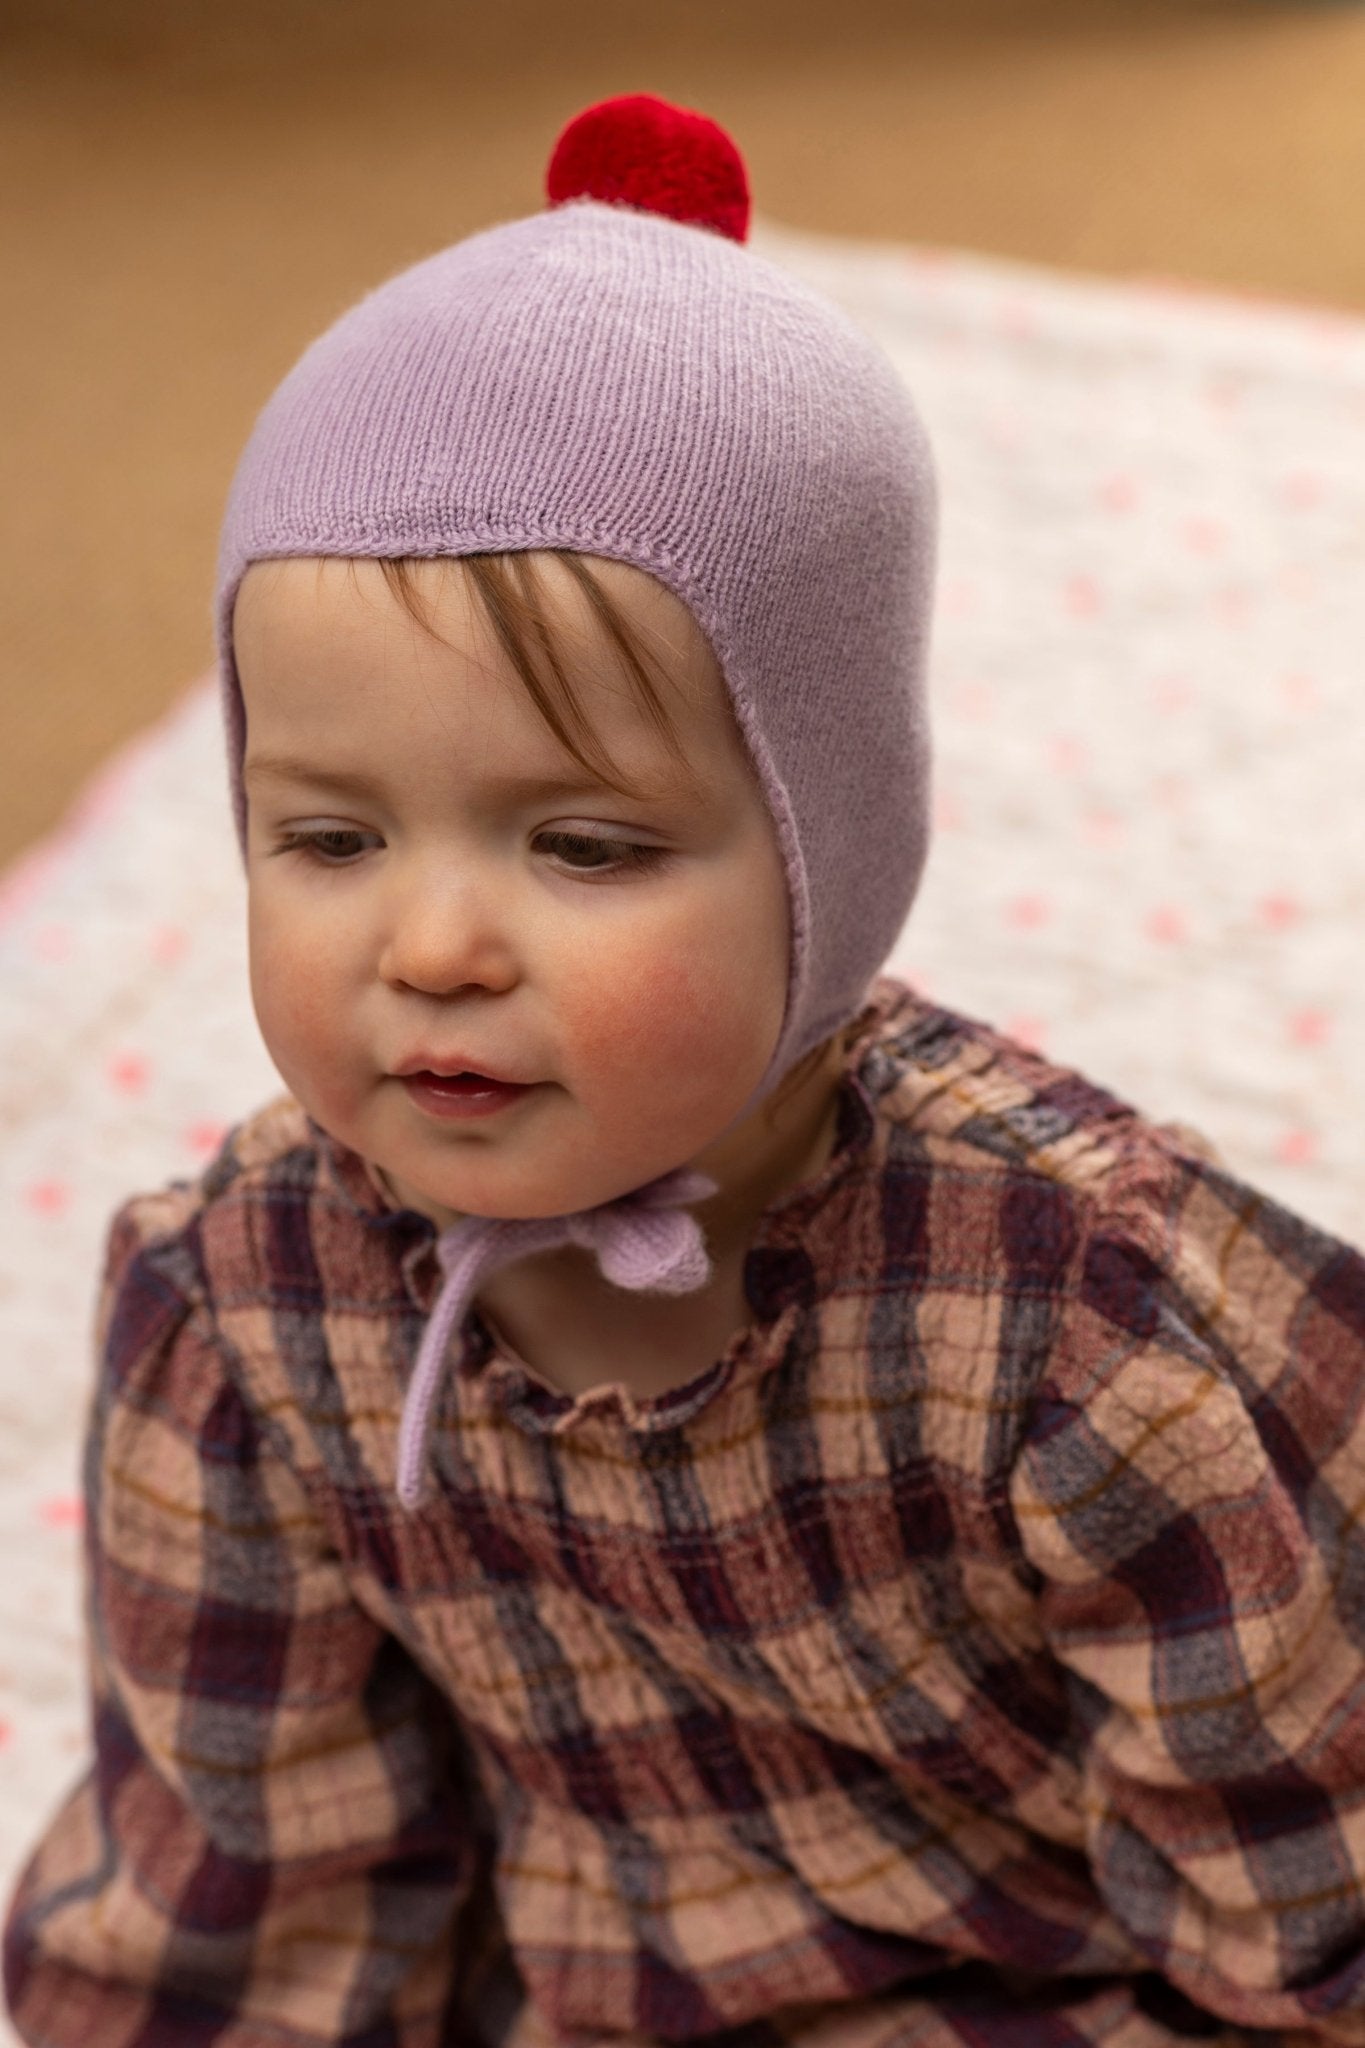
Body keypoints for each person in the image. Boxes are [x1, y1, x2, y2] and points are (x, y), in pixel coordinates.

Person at [4, 89, 1365, 2048]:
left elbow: (1290, 1914)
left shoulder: (1073, 1327)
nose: (434, 946)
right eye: (324, 837)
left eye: (582, 847)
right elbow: (248, 1900)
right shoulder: (240, 1316)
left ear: (829, 855)